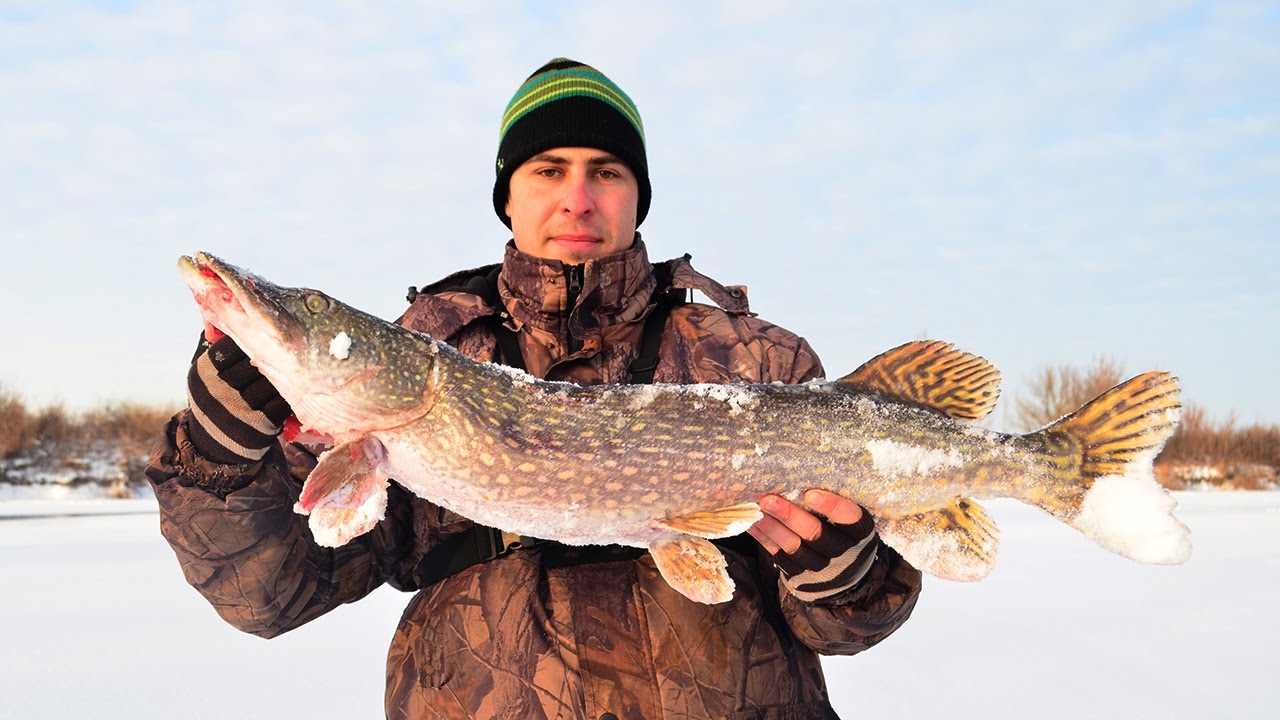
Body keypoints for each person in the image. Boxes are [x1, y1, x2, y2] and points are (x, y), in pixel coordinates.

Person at [148, 58, 922, 720]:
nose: (577, 199)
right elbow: (269, 596)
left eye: (606, 172)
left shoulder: (761, 359)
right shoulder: (433, 351)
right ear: (508, 196)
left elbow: (850, 624)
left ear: (636, 195)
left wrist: (847, 574)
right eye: (549, 170)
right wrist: (218, 461)